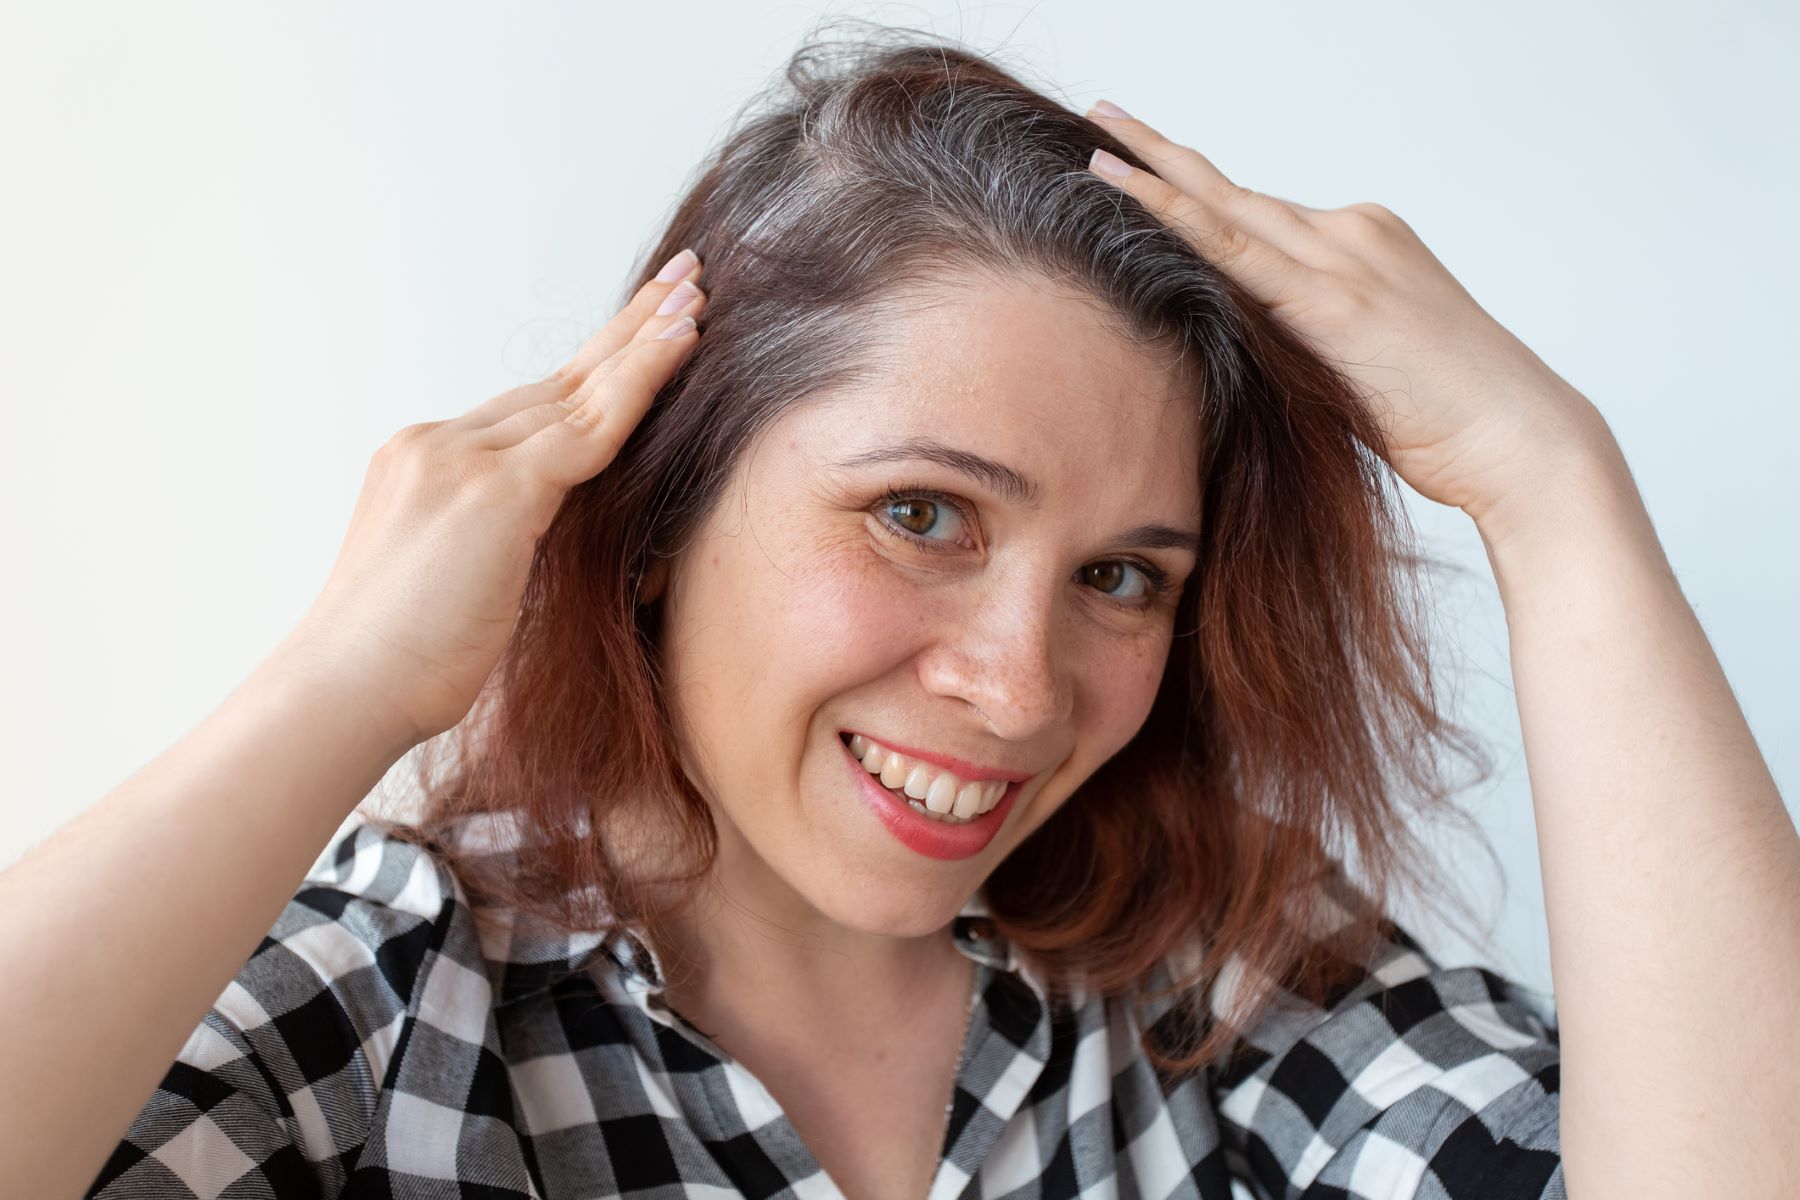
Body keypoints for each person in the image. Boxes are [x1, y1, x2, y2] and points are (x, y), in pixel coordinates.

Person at [5, 20, 1794, 1200]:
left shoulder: (1220, 988)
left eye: (1121, 578)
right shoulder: (387, 1009)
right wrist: (345, 682)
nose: (1022, 690)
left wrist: (1560, 494)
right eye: (922, 515)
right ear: (654, 509)